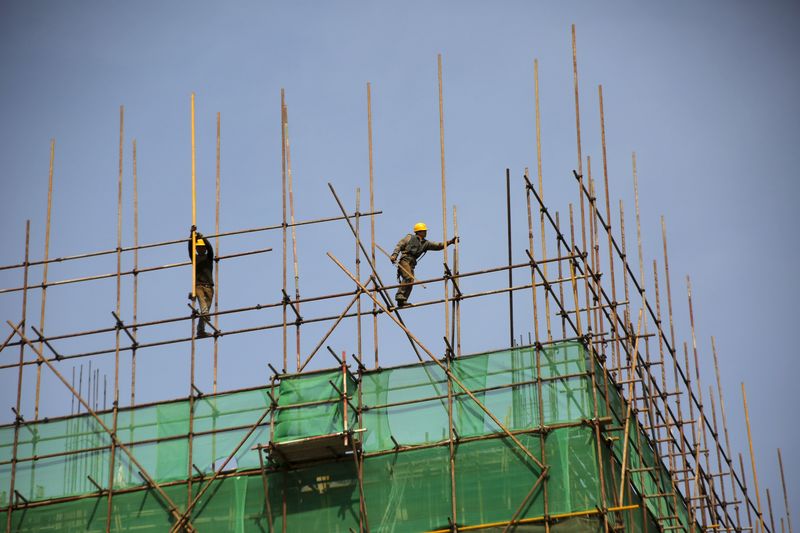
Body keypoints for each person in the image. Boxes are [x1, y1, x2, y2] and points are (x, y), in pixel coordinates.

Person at [390, 222, 457, 308]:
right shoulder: (410, 237)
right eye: (424, 231)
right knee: (408, 277)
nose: (425, 232)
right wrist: (394, 255)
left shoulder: (426, 243)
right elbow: (399, 245)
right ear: (419, 231)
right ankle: (399, 295)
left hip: (412, 263)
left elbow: (438, 246)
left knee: (411, 281)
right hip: (405, 260)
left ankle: (402, 301)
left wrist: (450, 242)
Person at [188, 225, 215, 337]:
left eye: (202, 247)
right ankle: (204, 313)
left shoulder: (209, 257)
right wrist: (192, 235)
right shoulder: (195, 258)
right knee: (203, 306)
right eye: (198, 247)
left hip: (209, 287)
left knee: (207, 307)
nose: (200, 249)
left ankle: (200, 330)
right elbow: (190, 248)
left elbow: (210, 248)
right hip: (198, 285)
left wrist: (202, 238)